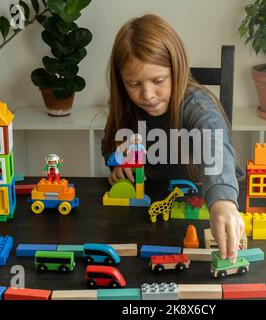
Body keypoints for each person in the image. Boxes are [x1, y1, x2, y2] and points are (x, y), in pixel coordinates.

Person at [101, 14, 244, 261]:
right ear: (121, 81)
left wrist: (222, 201)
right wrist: (119, 165)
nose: (147, 94)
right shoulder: (126, 106)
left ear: (177, 70)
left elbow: (215, 146)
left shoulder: (197, 106)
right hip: (153, 207)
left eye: (158, 81)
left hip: (202, 199)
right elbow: (111, 147)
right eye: (134, 83)